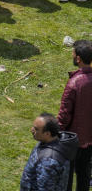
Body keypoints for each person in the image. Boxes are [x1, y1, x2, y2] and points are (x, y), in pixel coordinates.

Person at [58, 39, 92, 191]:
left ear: (78, 58)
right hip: (90, 139)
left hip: (73, 140)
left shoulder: (74, 83)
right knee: (84, 174)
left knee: (68, 176)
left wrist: (54, 133)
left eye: (72, 53)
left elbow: (64, 115)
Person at [21, 113, 77, 191]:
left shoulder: (49, 162)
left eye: (36, 129)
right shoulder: (52, 141)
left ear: (47, 133)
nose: (32, 130)